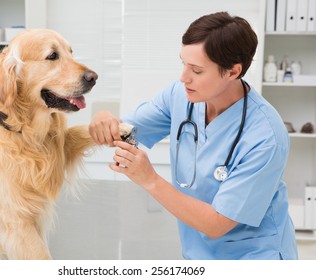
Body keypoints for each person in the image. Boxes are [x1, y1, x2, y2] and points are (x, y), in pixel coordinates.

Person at [88, 11, 298, 260]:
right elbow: (125, 130)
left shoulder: (265, 136)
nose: (183, 77)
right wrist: (103, 117)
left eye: (197, 70)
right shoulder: (181, 95)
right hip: (198, 255)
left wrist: (150, 179)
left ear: (232, 71)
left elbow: (217, 223)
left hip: (255, 258)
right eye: (183, 64)